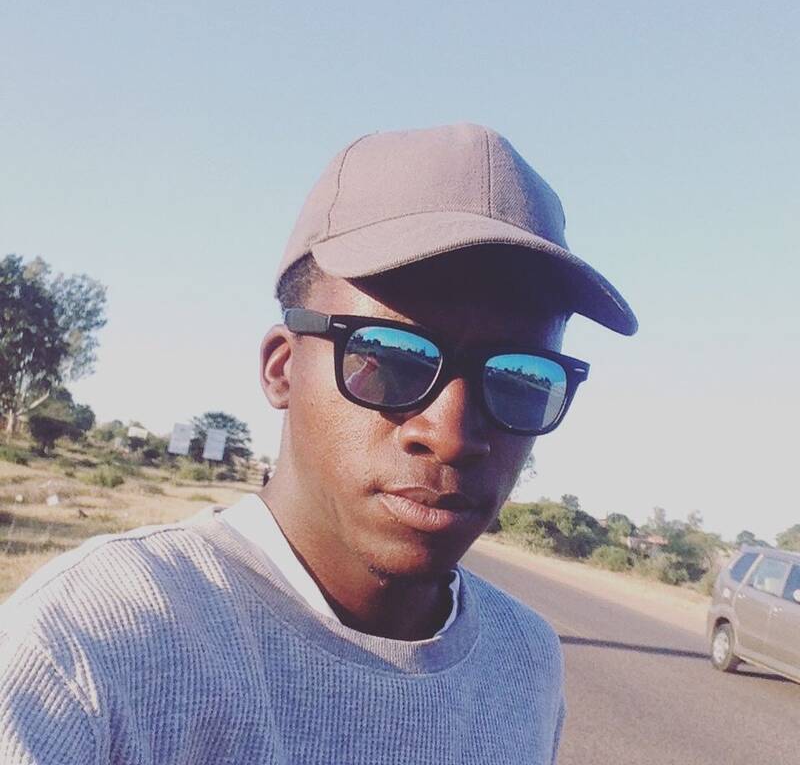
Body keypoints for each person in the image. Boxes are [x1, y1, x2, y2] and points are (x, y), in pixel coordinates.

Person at [0, 123, 636, 764]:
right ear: (282, 368)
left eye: (518, 378)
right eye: (391, 358)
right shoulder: (88, 652)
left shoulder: (525, 660)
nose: (451, 435)